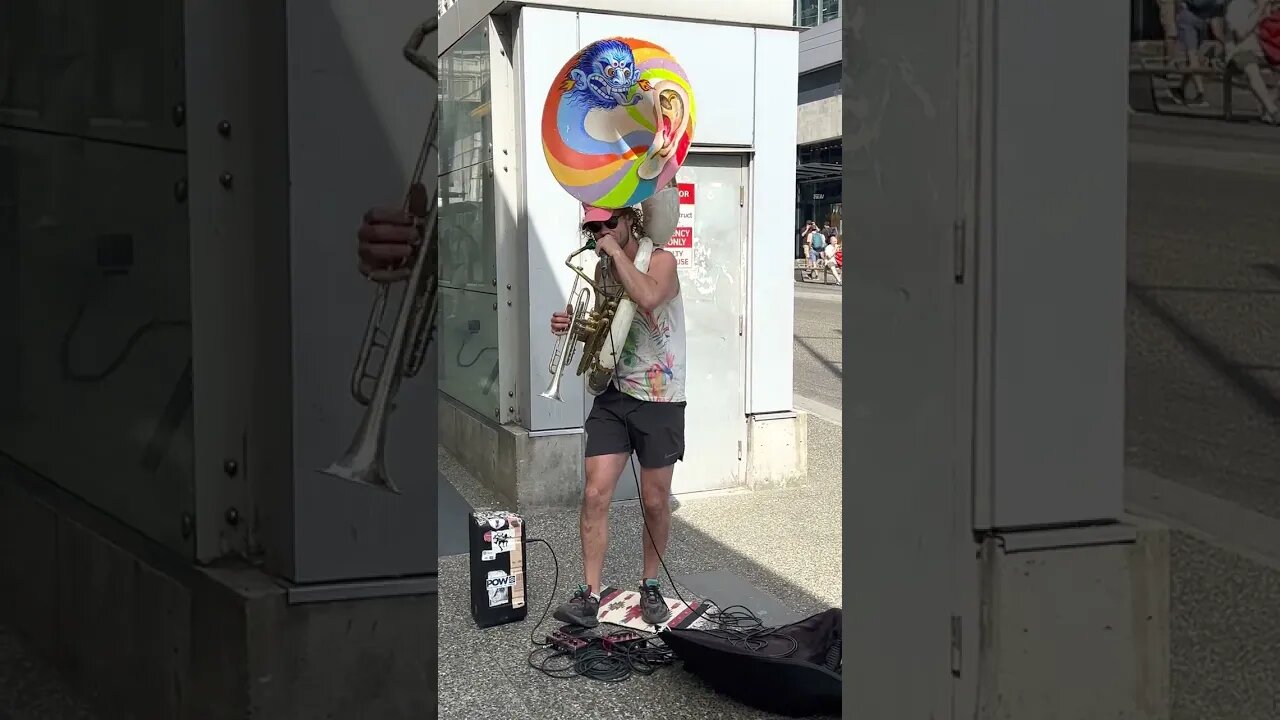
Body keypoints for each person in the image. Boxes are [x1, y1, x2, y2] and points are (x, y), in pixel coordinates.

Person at [545, 194, 687, 628]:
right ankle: (589, 593)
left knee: (656, 501)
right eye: (593, 229)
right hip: (613, 393)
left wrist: (612, 256)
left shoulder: (661, 261)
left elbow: (645, 297)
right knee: (594, 494)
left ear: (629, 220)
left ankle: (651, 585)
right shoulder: (599, 267)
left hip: (660, 396)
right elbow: (601, 327)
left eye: (607, 226)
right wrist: (573, 325)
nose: (600, 235)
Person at [1226, 0, 1280, 124]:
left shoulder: (1269, 5)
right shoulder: (1237, 5)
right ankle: (1273, 111)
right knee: (1251, 68)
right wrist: (1260, 11)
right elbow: (1240, 34)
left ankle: (1267, 104)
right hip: (1240, 50)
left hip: (1265, 49)